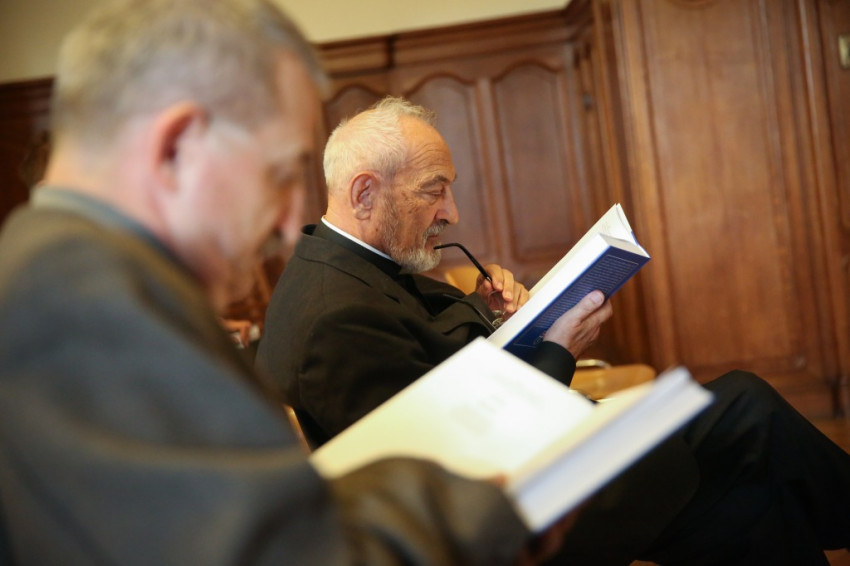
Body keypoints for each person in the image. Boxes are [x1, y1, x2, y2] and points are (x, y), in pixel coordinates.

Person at [0, 2, 575, 564]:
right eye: (277, 175)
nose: (286, 223)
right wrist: (484, 513)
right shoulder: (84, 311)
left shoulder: (66, 276)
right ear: (177, 146)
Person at [256, 96, 850, 564]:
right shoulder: (336, 316)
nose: (451, 212)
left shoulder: (339, 266)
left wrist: (497, 317)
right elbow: (458, 464)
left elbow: (434, 373)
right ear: (365, 192)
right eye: (435, 189)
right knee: (746, 410)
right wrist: (557, 348)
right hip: (522, 516)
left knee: (752, 499)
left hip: (528, 462)